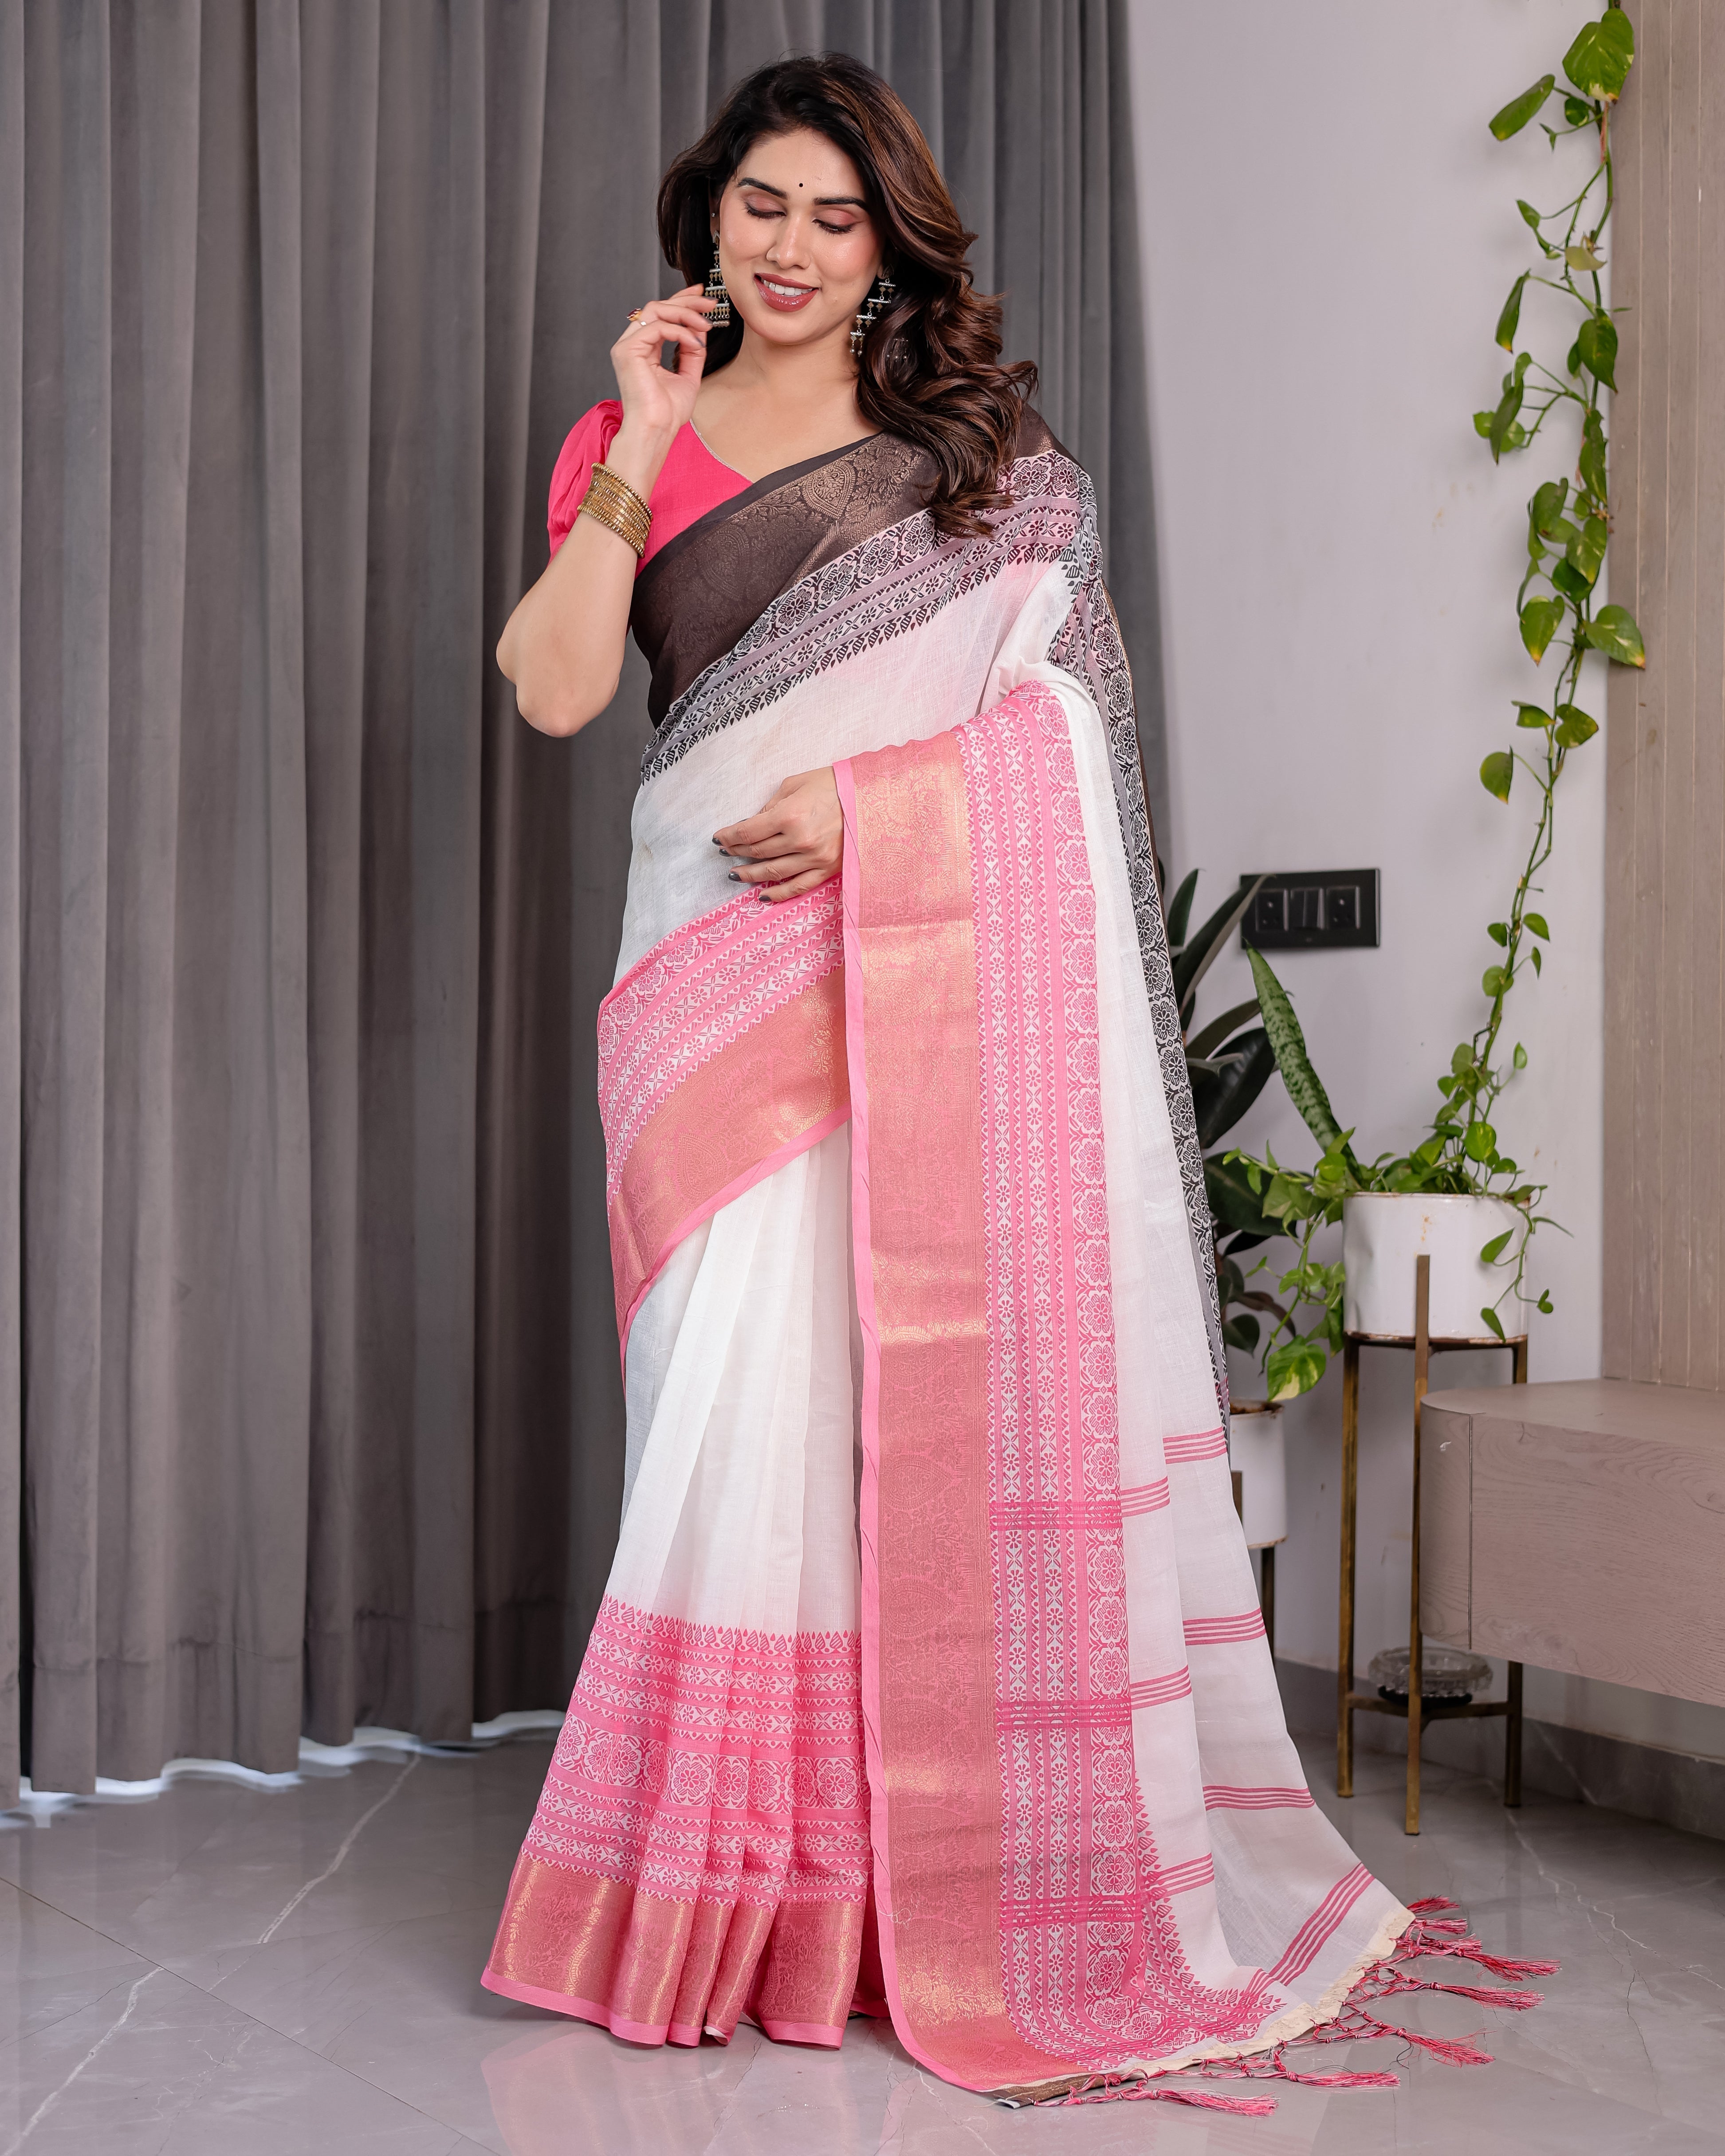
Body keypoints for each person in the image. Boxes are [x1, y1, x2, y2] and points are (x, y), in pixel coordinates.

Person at [479, 51, 1445, 2109]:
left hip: (892, 965)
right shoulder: (628, 434)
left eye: (835, 217)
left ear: (886, 244)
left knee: (867, 1429)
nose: (794, 248)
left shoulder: (975, 462)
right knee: (721, 1419)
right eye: (761, 206)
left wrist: (871, 810)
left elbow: (1062, 739)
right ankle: (732, 1886)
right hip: (700, 981)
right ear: (707, 218)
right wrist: (636, 438)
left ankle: (869, 1898)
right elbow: (559, 689)